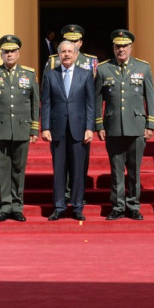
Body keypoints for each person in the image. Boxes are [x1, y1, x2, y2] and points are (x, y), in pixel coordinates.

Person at [94, 29, 154, 221]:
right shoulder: (103, 69)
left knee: (135, 171)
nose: (121, 50)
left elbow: (150, 97)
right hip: (113, 127)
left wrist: (150, 123)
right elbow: (97, 99)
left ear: (130, 47)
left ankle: (134, 205)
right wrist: (99, 125)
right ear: (113, 48)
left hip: (137, 126)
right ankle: (118, 206)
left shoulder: (143, 68)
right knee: (116, 170)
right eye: (118, 46)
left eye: (124, 46)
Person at [0, 35, 39, 222]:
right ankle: (5, 207)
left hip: (21, 128)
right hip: (0, 128)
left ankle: (17, 206)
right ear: (1, 54)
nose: (9, 54)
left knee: (18, 169)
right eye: (6, 51)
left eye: (13, 51)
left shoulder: (29, 74)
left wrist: (34, 129)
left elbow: (35, 103)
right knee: (3, 169)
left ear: (18, 53)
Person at [41, 39, 95, 221]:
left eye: (70, 51)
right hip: (57, 129)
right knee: (59, 169)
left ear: (76, 54)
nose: (66, 54)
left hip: (79, 128)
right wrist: (45, 127)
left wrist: (90, 128)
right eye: (63, 51)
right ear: (58, 55)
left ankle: (77, 206)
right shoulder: (50, 75)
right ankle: (59, 206)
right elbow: (46, 103)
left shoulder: (85, 75)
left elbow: (90, 104)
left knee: (78, 169)